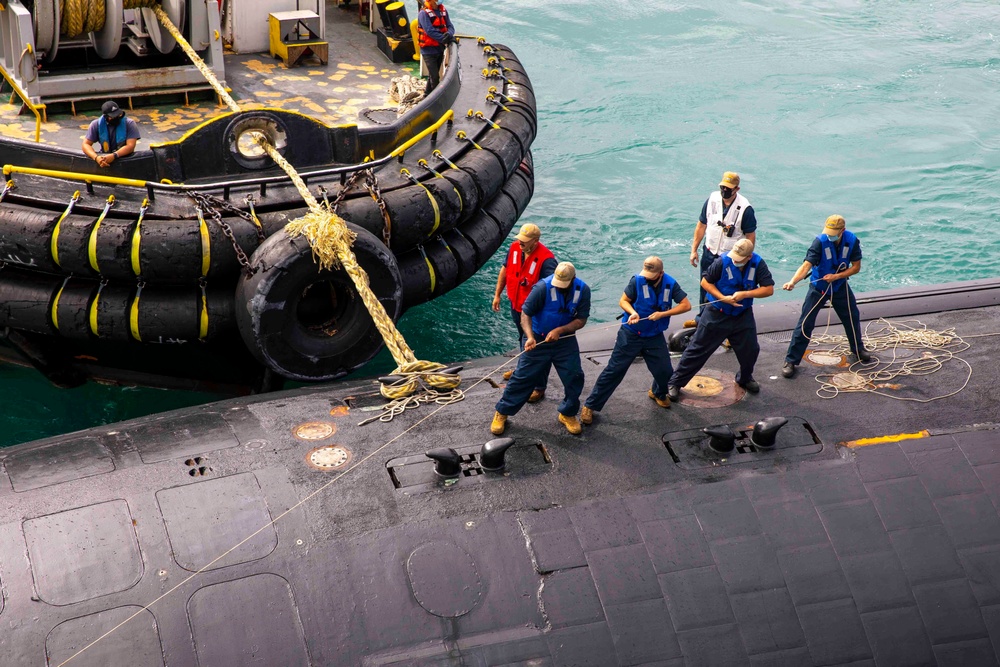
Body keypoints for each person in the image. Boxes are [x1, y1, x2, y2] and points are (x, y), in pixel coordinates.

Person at [580, 257, 691, 425]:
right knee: (614, 371)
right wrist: (632, 312)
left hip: (654, 336)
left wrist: (663, 314)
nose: (647, 277)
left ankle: (658, 393)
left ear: (661, 273)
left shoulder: (670, 283)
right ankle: (591, 405)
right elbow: (623, 301)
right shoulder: (637, 281)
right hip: (631, 334)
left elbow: (686, 305)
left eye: (651, 275)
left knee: (665, 371)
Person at [492, 262, 590, 436]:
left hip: (565, 340)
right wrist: (529, 337)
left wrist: (560, 330)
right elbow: (525, 314)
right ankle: (502, 411)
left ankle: (567, 413)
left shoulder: (583, 290)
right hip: (537, 338)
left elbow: (581, 320)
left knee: (574, 376)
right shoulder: (542, 288)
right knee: (522, 377)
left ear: (573, 279)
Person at [668, 238, 774, 399]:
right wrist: (722, 298)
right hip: (717, 313)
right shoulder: (722, 261)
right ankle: (675, 382)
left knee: (751, 350)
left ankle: (744, 378)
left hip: (742, 315)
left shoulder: (758, 263)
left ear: (749, 257)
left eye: (739, 259)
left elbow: (769, 290)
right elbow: (706, 282)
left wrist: (746, 294)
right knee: (697, 349)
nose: (735, 261)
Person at [780, 215, 870, 378]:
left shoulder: (852, 241)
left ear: (842, 231)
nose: (830, 235)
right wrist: (793, 281)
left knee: (852, 316)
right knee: (805, 323)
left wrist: (836, 277)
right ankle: (791, 360)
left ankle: (858, 348)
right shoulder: (820, 242)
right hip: (819, 288)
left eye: (834, 232)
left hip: (839, 286)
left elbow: (856, 267)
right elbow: (806, 265)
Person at [492, 223, 557, 398]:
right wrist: (497, 294)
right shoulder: (514, 248)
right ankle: (523, 370)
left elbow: (552, 290)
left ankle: (539, 386)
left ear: (536, 241)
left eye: (525, 241)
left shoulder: (547, 260)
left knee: (536, 346)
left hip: (534, 313)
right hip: (517, 306)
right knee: (523, 339)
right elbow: (505, 270)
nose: (520, 242)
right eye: (519, 239)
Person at [688, 171, 757, 318]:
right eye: (722, 187)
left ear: (736, 189)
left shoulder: (745, 208)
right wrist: (694, 250)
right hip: (709, 252)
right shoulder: (712, 199)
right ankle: (701, 317)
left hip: (729, 257)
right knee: (705, 286)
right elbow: (701, 225)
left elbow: (750, 236)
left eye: (728, 188)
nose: (724, 191)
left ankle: (725, 322)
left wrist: (745, 258)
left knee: (726, 289)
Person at [82, 101, 140, 169]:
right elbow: (85, 144)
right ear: (105, 116)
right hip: (105, 157)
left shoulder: (130, 124)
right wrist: (96, 157)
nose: (116, 117)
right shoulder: (96, 125)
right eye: (113, 116)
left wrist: (114, 155)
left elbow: (130, 146)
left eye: (117, 114)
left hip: (125, 158)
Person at [416, 0, 455, 96]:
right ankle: (436, 98)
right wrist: (443, 39)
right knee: (435, 77)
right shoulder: (423, 13)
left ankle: (427, 94)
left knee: (433, 75)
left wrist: (449, 34)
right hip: (428, 51)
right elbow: (430, 31)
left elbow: (450, 26)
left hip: (439, 49)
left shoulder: (443, 10)